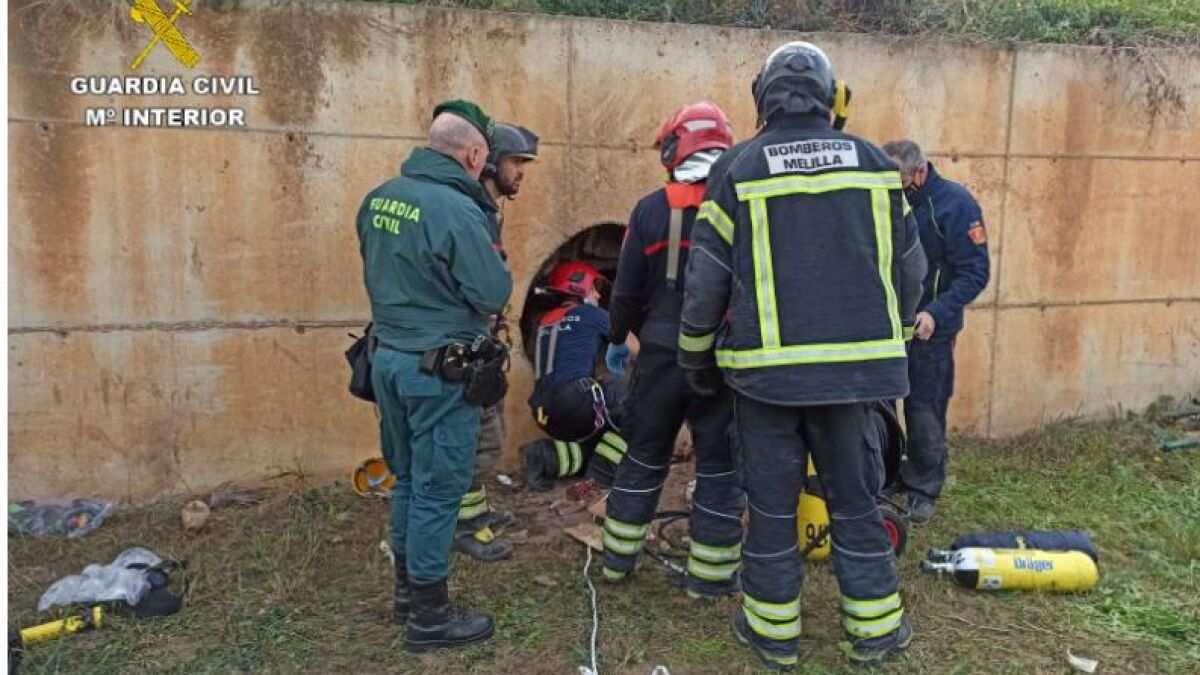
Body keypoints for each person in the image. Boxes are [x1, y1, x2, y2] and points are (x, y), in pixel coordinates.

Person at [678, 43, 927, 668]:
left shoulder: (738, 167)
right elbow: (911, 268)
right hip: (852, 382)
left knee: (771, 509)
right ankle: (875, 633)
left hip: (765, 383)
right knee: (855, 503)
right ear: (830, 95)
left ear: (763, 97)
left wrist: (696, 359)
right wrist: (891, 335)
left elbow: (705, 281)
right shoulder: (875, 164)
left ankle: (773, 636)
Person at [355, 99, 512, 653]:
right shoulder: (456, 209)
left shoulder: (379, 198)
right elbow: (491, 293)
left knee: (408, 479)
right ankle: (429, 617)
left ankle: (406, 596)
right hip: (438, 371)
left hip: (388, 361)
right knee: (439, 490)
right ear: (473, 155)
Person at [599, 101, 745, 601]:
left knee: (644, 453)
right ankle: (711, 579)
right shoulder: (743, 203)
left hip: (660, 353)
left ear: (673, 149)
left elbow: (625, 291)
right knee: (720, 465)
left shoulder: (650, 209)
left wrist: (617, 337)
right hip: (721, 356)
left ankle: (617, 562)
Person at [881, 140, 990, 525]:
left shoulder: (956, 205)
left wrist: (936, 313)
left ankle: (923, 488)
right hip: (887, 327)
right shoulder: (885, 200)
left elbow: (975, 273)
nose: (891, 186)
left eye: (898, 179)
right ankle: (887, 476)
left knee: (924, 410)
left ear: (920, 171)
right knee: (881, 410)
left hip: (930, 331)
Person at [454, 122, 540, 562]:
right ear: (488, 163)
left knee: (485, 438)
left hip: (483, 345)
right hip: (467, 348)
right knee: (477, 442)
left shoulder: (487, 210)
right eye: (515, 161)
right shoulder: (473, 212)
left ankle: (474, 513)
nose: (521, 172)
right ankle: (461, 527)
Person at [520, 262, 629, 490]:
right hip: (574, 402)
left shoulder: (544, 320)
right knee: (637, 399)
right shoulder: (591, 313)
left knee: (600, 446)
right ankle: (602, 476)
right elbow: (634, 347)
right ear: (579, 288)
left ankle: (545, 456)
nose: (598, 295)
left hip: (544, 410)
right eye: (594, 289)